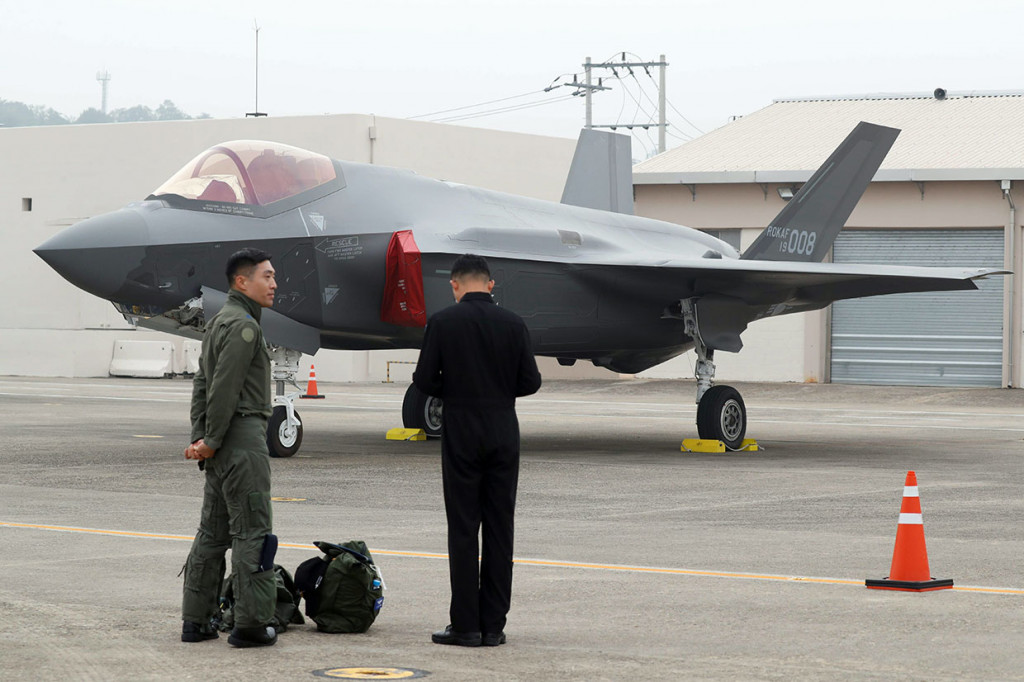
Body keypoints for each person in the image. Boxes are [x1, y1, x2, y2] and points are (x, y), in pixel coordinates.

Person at [413, 253, 542, 648]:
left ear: (454, 285)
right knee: (501, 529)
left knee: (464, 528)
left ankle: (465, 625)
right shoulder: (513, 323)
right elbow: (531, 381)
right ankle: (494, 626)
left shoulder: (442, 322)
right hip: (504, 428)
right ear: (490, 284)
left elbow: (423, 379)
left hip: (462, 430)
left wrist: (456, 390)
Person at [180, 248, 279, 648]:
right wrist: (214, 439)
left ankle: (196, 621)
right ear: (242, 281)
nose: (274, 285)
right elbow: (223, 387)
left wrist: (200, 438)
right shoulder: (244, 327)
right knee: (252, 531)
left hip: (220, 445)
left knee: (212, 533)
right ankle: (251, 624)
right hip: (241, 441)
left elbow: (201, 385)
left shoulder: (219, 321)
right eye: (267, 277)